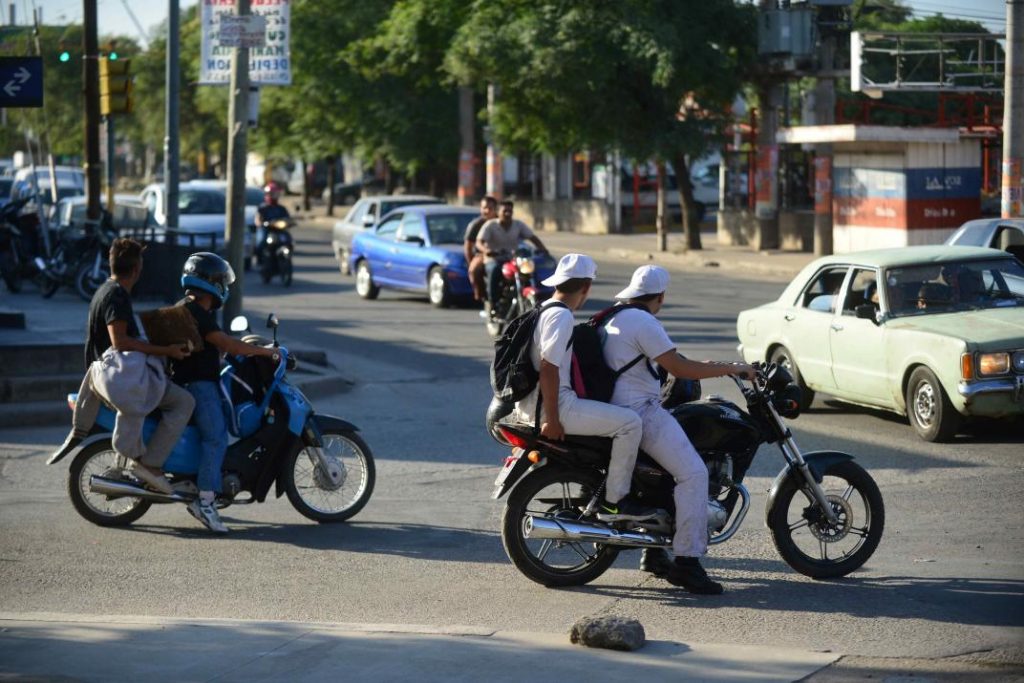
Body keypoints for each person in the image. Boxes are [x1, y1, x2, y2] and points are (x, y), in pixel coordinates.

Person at [602, 265, 755, 594]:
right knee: (694, 474)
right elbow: (679, 368)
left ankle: (655, 554)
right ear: (660, 297)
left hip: (616, 408)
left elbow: (665, 359)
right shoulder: (644, 321)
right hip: (640, 411)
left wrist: (709, 365)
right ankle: (687, 563)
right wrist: (731, 368)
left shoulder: (615, 316)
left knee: (667, 475)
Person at [514, 253, 653, 521]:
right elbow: (548, 368)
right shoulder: (561, 316)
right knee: (631, 424)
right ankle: (615, 504)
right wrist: (553, 420)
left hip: (531, 404)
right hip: (556, 407)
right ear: (586, 286)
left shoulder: (543, 308)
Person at [50, 238, 194, 495]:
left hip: (111, 374)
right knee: (184, 402)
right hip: (119, 376)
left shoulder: (105, 289)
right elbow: (120, 341)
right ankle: (152, 465)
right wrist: (167, 351)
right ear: (137, 269)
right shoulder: (117, 296)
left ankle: (133, 460)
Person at [172, 252, 277, 533]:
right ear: (210, 284)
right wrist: (266, 352)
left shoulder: (190, 308)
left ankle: (207, 481)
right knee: (217, 437)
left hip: (197, 382)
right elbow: (228, 344)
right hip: (198, 385)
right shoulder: (198, 313)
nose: (224, 287)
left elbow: (214, 348)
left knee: (214, 433)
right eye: (221, 281)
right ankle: (205, 502)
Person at [476, 200, 549, 316]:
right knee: (494, 271)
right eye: (505, 211)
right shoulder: (490, 225)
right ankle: (493, 305)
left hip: (513, 260)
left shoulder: (518, 225)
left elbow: (532, 237)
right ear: (498, 212)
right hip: (494, 259)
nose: (507, 213)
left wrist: (543, 249)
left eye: (510, 211)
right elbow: (479, 242)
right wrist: (487, 251)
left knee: (529, 270)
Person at [463, 196, 498, 302]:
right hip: (483, 255)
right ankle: (482, 296)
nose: (487, 211)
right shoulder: (475, 225)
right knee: (473, 270)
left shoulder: (502, 222)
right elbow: (468, 246)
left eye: (490, 208)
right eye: (484, 208)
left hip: (504, 253)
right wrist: (471, 262)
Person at [255, 182, 292, 263]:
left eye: (275, 193)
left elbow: (287, 218)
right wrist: (261, 223)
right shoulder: (262, 208)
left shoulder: (281, 208)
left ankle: (287, 256)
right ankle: (259, 258)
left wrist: (290, 222)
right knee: (261, 240)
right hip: (267, 229)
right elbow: (258, 219)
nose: (273, 196)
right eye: (271, 194)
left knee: (288, 239)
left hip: (279, 230)